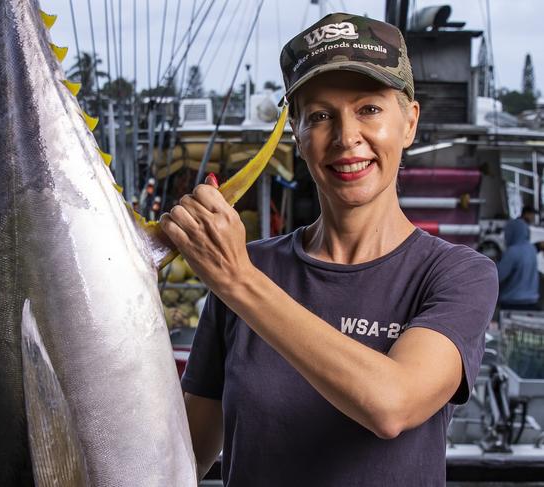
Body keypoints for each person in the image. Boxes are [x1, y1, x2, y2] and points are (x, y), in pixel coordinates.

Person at [160, 12, 498, 486]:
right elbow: (184, 458)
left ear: (409, 123)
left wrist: (237, 280)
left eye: (370, 109)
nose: (346, 137)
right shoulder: (250, 267)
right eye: (319, 116)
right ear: (296, 135)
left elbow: (392, 404)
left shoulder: (456, 274)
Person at [498, 217, 539, 310]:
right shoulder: (531, 249)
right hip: (532, 301)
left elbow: (498, 276)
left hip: (513, 303)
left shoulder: (512, 251)